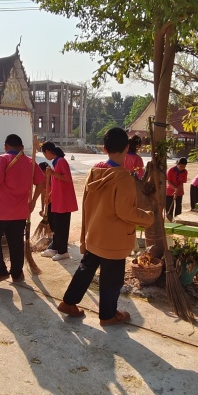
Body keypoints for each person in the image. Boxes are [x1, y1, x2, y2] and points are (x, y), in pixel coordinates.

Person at [57, 128, 154, 326]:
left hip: (95, 234)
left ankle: (68, 302)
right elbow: (126, 212)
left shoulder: (94, 172)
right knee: (112, 278)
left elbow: (86, 203)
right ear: (126, 149)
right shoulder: (124, 178)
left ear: (104, 149)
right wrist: (148, 217)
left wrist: (86, 233)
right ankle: (108, 315)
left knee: (85, 269)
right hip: (114, 240)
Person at [0, 134, 45, 288]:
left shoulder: (3, 159)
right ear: (22, 148)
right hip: (20, 211)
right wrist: (33, 201)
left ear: (5, 146)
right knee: (16, 242)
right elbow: (41, 183)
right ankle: (16, 273)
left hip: (0, 211)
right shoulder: (30, 162)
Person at [40, 141, 78, 261]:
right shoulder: (55, 162)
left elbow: (67, 178)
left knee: (61, 226)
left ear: (47, 151)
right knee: (56, 225)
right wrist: (50, 194)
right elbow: (57, 183)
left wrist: (53, 173)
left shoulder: (61, 161)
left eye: (44, 153)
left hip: (64, 200)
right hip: (57, 199)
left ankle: (63, 251)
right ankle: (55, 248)